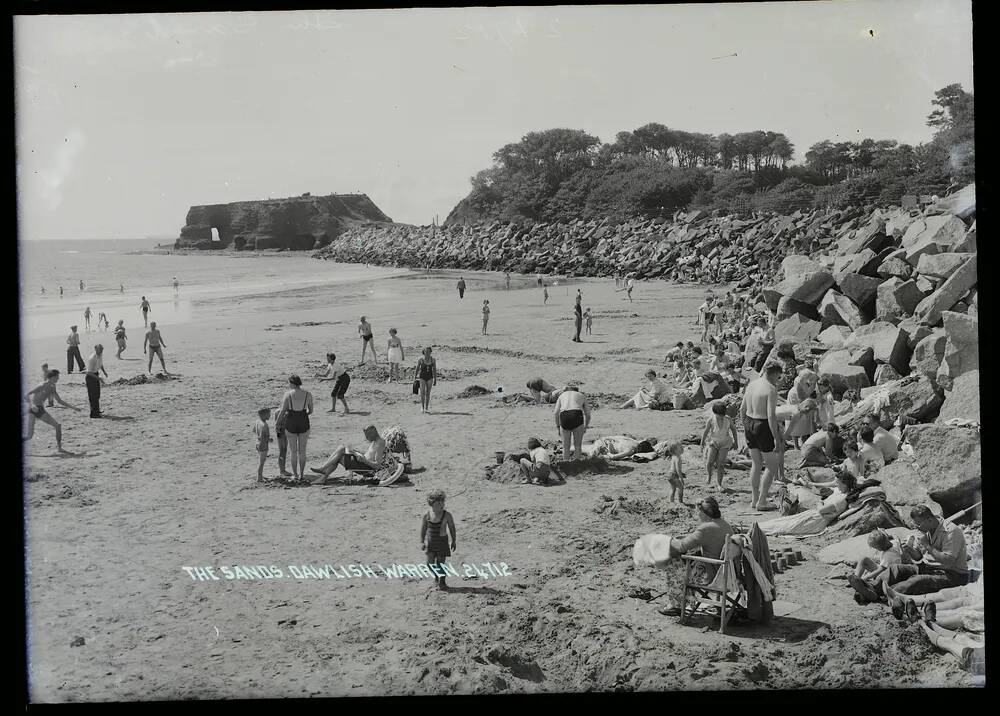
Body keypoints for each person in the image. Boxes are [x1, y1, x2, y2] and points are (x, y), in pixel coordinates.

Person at [881, 505, 968, 595]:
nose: (917, 527)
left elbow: (948, 561)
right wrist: (909, 550)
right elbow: (919, 556)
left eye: (918, 524)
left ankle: (891, 592)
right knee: (895, 569)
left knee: (918, 580)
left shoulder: (951, 531)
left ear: (929, 520)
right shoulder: (925, 530)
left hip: (953, 575)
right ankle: (871, 587)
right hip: (929, 568)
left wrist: (927, 545)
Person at [739, 362, 783, 511]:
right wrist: (776, 438)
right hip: (763, 425)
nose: (778, 379)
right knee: (772, 465)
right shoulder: (771, 389)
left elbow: (742, 409)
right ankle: (762, 501)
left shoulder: (751, 384)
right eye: (778, 376)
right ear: (774, 374)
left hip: (750, 422)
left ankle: (754, 498)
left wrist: (746, 426)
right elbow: (771, 416)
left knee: (756, 464)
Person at [759, 470, 856, 536]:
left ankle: (757, 529)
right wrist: (812, 485)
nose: (836, 484)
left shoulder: (842, 499)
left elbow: (822, 510)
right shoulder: (839, 491)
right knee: (785, 521)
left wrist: (820, 502)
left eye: (838, 482)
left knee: (786, 527)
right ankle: (757, 526)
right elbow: (831, 485)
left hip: (817, 520)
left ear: (844, 484)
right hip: (814, 515)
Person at [24, 370, 80, 451]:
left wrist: (73, 407)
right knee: (29, 436)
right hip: (33, 410)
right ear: (52, 377)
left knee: (57, 426)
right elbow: (27, 395)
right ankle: (60, 448)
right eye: (57, 377)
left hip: (40, 410)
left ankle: (60, 448)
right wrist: (32, 406)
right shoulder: (42, 385)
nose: (58, 379)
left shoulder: (52, 387)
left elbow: (59, 401)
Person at [309, 425, 385, 483]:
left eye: (367, 436)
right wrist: (356, 452)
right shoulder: (375, 441)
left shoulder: (380, 443)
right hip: (361, 462)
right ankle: (323, 476)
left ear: (373, 433)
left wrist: (364, 460)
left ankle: (323, 470)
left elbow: (377, 466)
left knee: (341, 451)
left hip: (366, 469)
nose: (366, 438)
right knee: (342, 449)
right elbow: (369, 455)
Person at [848, 529, 907, 598]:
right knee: (863, 559)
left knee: (875, 579)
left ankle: (864, 585)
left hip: (889, 576)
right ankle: (856, 578)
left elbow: (880, 570)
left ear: (880, 547)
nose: (875, 549)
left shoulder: (888, 555)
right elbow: (897, 539)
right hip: (887, 569)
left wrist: (866, 578)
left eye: (875, 547)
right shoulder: (894, 542)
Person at [276, 375, 313, 481]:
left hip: (291, 422)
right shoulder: (308, 394)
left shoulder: (288, 395)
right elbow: (311, 411)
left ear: (292, 383)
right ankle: (302, 474)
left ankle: (295, 474)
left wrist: (277, 423)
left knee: (293, 451)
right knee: (302, 451)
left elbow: (283, 411)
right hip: (303, 421)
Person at [421, 490, 457, 590]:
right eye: (439, 503)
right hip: (430, 542)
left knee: (441, 563)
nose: (442, 504)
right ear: (432, 503)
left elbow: (452, 528)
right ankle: (436, 577)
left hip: (442, 543)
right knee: (429, 564)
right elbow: (423, 528)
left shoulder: (447, 515)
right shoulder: (427, 515)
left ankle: (442, 581)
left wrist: (453, 541)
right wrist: (422, 541)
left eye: (443, 502)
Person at [702, 401, 738, 487]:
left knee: (721, 464)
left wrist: (736, 442)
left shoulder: (728, 419)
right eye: (719, 415)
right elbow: (706, 431)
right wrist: (702, 442)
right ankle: (709, 476)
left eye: (722, 414)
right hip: (713, 443)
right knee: (709, 462)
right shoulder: (711, 420)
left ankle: (719, 484)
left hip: (725, 443)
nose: (721, 417)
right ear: (715, 413)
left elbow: (733, 430)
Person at [553, 386, 590, 460]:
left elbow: (556, 413)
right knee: (578, 446)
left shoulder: (562, 395)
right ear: (577, 390)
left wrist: (558, 427)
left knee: (566, 447)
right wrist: (585, 427)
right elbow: (588, 414)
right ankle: (576, 466)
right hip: (576, 414)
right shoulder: (581, 395)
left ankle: (566, 465)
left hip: (564, 415)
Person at [786, 370, 818, 448]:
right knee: (795, 425)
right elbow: (801, 397)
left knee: (800, 425)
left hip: (798, 400)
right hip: (795, 400)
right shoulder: (799, 382)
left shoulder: (802, 380)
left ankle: (800, 444)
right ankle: (796, 446)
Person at [583, 435, 656, 460]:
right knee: (588, 451)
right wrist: (604, 455)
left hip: (604, 441)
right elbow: (613, 457)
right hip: (604, 447)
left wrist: (607, 441)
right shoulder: (631, 450)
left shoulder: (632, 441)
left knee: (581, 449)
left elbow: (618, 437)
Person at [84, 344, 109, 418]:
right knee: (93, 396)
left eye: (102, 349)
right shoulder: (92, 358)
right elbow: (89, 372)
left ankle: (97, 410)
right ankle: (93, 414)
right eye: (100, 349)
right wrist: (99, 379)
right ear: (95, 349)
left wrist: (104, 372)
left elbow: (100, 364)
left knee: (97, 395)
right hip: (91, 377)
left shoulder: (100, 355)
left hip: (96, 375)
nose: (101, 350)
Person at [415, 346, 437, 413]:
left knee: (428, 393)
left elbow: (434, 370)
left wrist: (435, 379)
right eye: (426, 351)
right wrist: (414, 377)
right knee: (422, 392)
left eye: (428, 351)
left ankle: (427, 408)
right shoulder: (421, 359)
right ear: (423, 352)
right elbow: (417, 368)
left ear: (431, 352)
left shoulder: (433, 360)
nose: (427, 353)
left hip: (430, 377)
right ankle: (422, 407)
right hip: (422, 377)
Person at [254, 408, 271, 481]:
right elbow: (264, 437)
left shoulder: (257, 422)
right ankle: (259, 477)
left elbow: (254, 431)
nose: (270, 415)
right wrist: (270, 440)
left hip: (257, 443)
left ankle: (261, 475)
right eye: (268, 414)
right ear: (264, 415)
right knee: (262, 462)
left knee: (261, 460)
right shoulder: (265, 425)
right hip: (263, 445)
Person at [274, 407, 291, 477]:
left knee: (282, 451)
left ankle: (282, 469)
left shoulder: (278, 410)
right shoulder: (285, 411)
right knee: (283, 451)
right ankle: (282, 470)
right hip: (282, 432)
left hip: (280, 432)